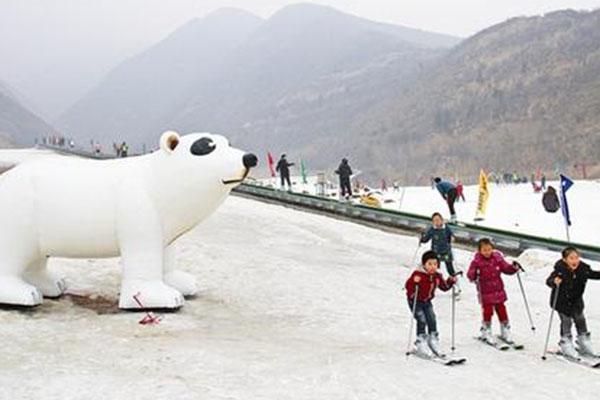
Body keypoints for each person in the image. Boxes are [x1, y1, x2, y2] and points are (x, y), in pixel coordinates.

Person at [546, 247, 600, 358]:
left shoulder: (583, 269)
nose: (575, 261)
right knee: (566, 322)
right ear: (565, 260)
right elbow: (549, 281)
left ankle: (583, 341)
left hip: (576, 302)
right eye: (571, 258)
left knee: (580, 320)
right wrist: (554, 282)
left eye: (576, 258)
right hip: (562, 302)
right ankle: (565, 342)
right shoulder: (560, 271)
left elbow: (594, 274)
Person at [467, 238, 521, 345]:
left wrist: (513, 268)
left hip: (498, 290)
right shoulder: (477, 262)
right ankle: (486, 330)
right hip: (485, 292)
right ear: (479, 251)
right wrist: (474, 273)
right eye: (484, 250)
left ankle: (505, 329)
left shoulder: (497, 258)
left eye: (489, 249)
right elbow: (470, 275)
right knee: (488, 312)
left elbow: (506, 269)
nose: (487, 252)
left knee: (502, 310)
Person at [405, 250, 457, 357]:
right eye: (430, 264)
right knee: (421, 319)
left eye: (435, 264)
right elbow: (408, 286)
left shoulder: (437, 276)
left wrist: (450, 281)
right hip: (415, 301)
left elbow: (444, 287)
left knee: (432, 319)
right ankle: (421, 341)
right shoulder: (418, 274)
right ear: (424, 264)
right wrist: (414, 281)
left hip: (427, 301)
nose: (433, 267)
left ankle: (433, 339)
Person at [420, 212, 457, 278]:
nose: (437, 222)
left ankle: (453, 279)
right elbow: (426, 238)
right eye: (434, 221)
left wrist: (452, 238)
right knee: (434, 266)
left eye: (438, 220)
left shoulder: (446, 228)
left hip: (446, 251)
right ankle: (432, 279)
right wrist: (422, 239)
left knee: (449, 266)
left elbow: (451, 235)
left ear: (441, 220)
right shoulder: (432, 229)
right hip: (436, 252)